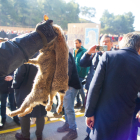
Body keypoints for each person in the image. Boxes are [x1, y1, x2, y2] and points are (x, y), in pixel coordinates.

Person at [85, 33, 140, 140]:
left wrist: (89, 113)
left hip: (103, 115)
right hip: (126, 118)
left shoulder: (109, 56)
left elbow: (95, 86)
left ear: (122, 43)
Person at [80, 34, 113, 140]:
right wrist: (88, 52)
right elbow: (82, 63)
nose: (105, 43)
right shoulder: (95, 55)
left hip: (105, 92)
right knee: (90, 112)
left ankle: (96, 134)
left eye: (107, 41)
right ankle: (89, 133)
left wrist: (106, 55)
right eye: (103, 41)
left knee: (100, 115)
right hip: (91, 90)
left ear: (111, 44)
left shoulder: (114, 56)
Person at [12, 52, 46, 140]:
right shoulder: (45, 54)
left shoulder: (25, 55)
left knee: (24, 113)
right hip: (42, 89)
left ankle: (25, 136)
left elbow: (19, 74)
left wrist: (15, 85)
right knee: (40, 113)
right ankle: (39, 135)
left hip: (25, 89)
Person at [57, 52, 81, 140]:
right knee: (66, 107)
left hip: (70, 85)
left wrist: (65, 82)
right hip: (68, 85)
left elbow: (68, 68)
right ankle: (68, 125)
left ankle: (73, 130)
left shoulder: (64, 52)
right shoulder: (63, 51)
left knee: (68, 109)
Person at [73, 39, 89, 109]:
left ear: (80, 43)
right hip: (75, 73)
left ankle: (84, 104)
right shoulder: (74, 51)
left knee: (81, 89)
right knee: (75, 88)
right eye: (75, 43)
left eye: (77, 43)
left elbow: (86, 64)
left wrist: (84, 73)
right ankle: (78, 102)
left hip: (81, 74)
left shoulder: (84, 51)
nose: (75, 45)